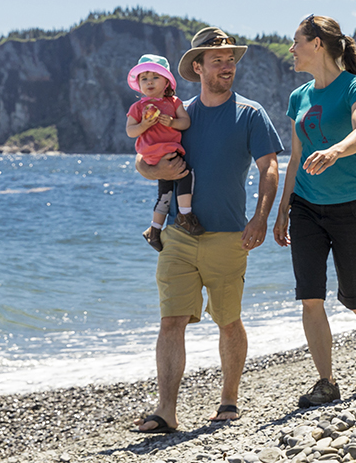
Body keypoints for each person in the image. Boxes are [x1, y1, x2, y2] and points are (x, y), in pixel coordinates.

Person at [133, 27, 282, 433]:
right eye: (217, 59)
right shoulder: (179, 113)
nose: (227, 65)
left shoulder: (250, 113)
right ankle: (166, 410)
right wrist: (151, 169)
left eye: (230, 59)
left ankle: (229, 400)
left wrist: (260, 217)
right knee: (170, 321)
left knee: (228, 321)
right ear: (197, 67)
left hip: (228, 235)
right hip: (179, 235)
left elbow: (268, 167)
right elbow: (146, 156)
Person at [272, 14, 356, 408]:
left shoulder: (354, 86)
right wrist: (283, 209)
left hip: (351, 207)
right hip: (305, 206)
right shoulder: (298, 97)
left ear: (317, 43)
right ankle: (326, 382)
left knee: (354, 297)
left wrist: (336, 150)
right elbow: (294, 158)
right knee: (310, 295)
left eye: (297, 41)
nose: (292, 49)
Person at [125, 55, 203, 253]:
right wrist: (144, 124)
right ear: (139, 85)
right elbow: (130, 131)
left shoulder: (173, 102)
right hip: (159, 154)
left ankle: (155, 228)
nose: (149, 82)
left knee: (165, 193)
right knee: (186, 174)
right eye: (144, 79)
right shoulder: (138, 107)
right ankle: (185, 215)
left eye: (155, 77)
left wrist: (171, 122)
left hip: (161, 156)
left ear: (167, 82)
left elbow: (184, 122)